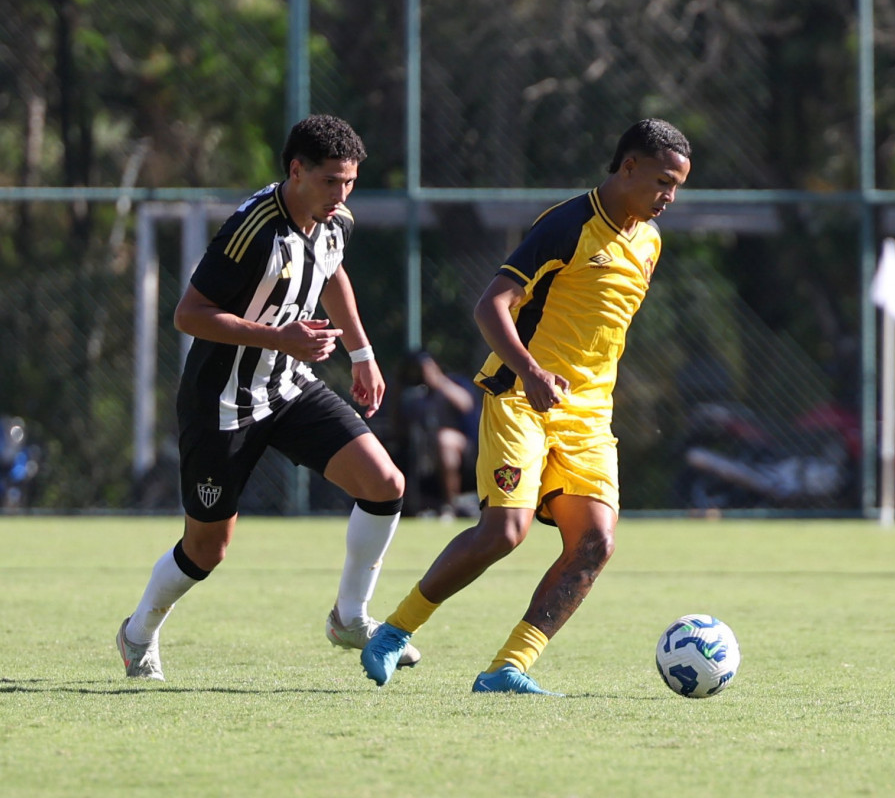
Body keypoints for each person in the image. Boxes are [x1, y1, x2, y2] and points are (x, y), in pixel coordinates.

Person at [360, 119, 691, 694]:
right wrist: (532, 371)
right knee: (503, 532)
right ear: (628, 167)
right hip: (521, 394)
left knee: (595, 543)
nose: (669, 197)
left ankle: (507, 669)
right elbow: (492, 305)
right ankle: (394, 631)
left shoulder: (650, 243)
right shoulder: (567, 225)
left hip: (588, 416)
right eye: (663, 181)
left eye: (678, 187)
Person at [116, 114, 420, 680]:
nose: (342, 194)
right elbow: (189, 315)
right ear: (296, 170)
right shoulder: (251, 230)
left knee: (385, 484)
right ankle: (138, 633)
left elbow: (332, 273)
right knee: (207, 550)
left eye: (350, 181)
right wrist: (278, 336)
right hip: (223, 403)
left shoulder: (335, 222)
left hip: (287, 386)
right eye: (331, 181)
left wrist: (362, 353)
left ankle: (350, 618)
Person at [391, 350, 481, 517]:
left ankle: (450, 506)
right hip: (422, 452)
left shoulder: (453, 382)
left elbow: (467, 405)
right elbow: (397, 428)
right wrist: (399, 386)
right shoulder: (411, 393)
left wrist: (437, 380)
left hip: (467, 451)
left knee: (444, 439)